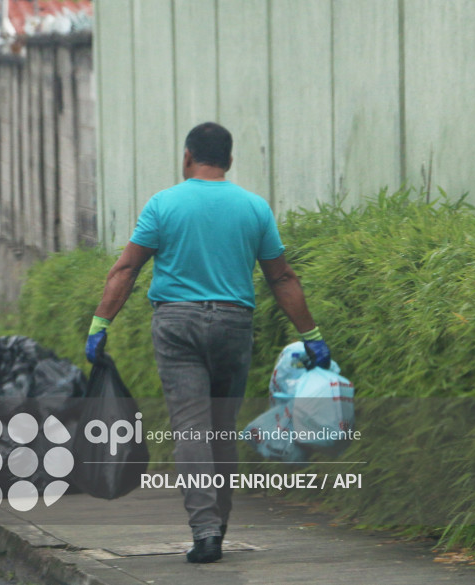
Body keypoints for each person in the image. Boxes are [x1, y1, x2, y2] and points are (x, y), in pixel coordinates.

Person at [84, 122, 331, 564]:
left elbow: (126, 270)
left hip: (176, 324)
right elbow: (282, 276)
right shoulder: (254, 208)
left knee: (192, 428)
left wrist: (100, 324)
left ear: (186, 157)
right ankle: (219, 522)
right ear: (229, 160)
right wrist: (311, 335)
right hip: (234, 325)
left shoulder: (163, 204)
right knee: (220, 426)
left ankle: (206, 532)